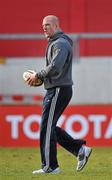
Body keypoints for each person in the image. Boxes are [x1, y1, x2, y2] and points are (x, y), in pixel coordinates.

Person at [26, 15, 92, 174]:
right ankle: (79, 150)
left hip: (58, 90)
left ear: (56, 26)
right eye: (43, 25)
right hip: (57, 89)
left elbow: (55, 67)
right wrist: (42, 78)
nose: (44, 27)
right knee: (49, 127)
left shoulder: (60, 43)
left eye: (47, 25)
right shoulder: (57, 42)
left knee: (46, 128)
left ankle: (50, 167)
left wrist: (39, 75)